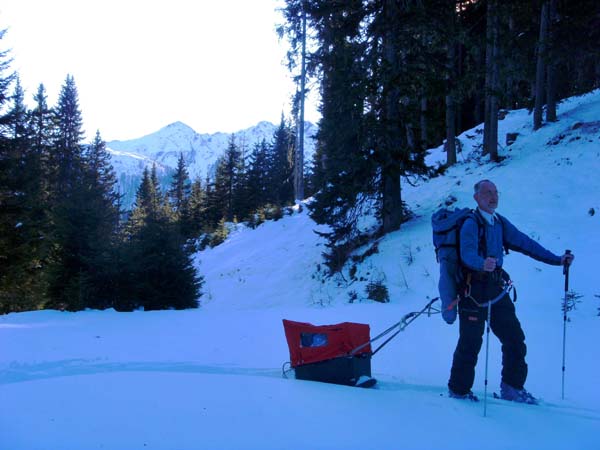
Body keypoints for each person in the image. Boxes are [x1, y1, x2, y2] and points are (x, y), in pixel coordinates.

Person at [447, 179, 574, 403]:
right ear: (477, 197)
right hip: (472, 293)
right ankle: (459, 391)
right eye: (487, 192)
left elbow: (526, 243)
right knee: (470, 343)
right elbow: (467, 254)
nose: (492, 196)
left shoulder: (499, 223)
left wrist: (557, 260)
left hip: (495, 290)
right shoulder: (470, 223)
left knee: (514, 338)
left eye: (495, 192)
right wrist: (480, 263)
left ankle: (512, 388)